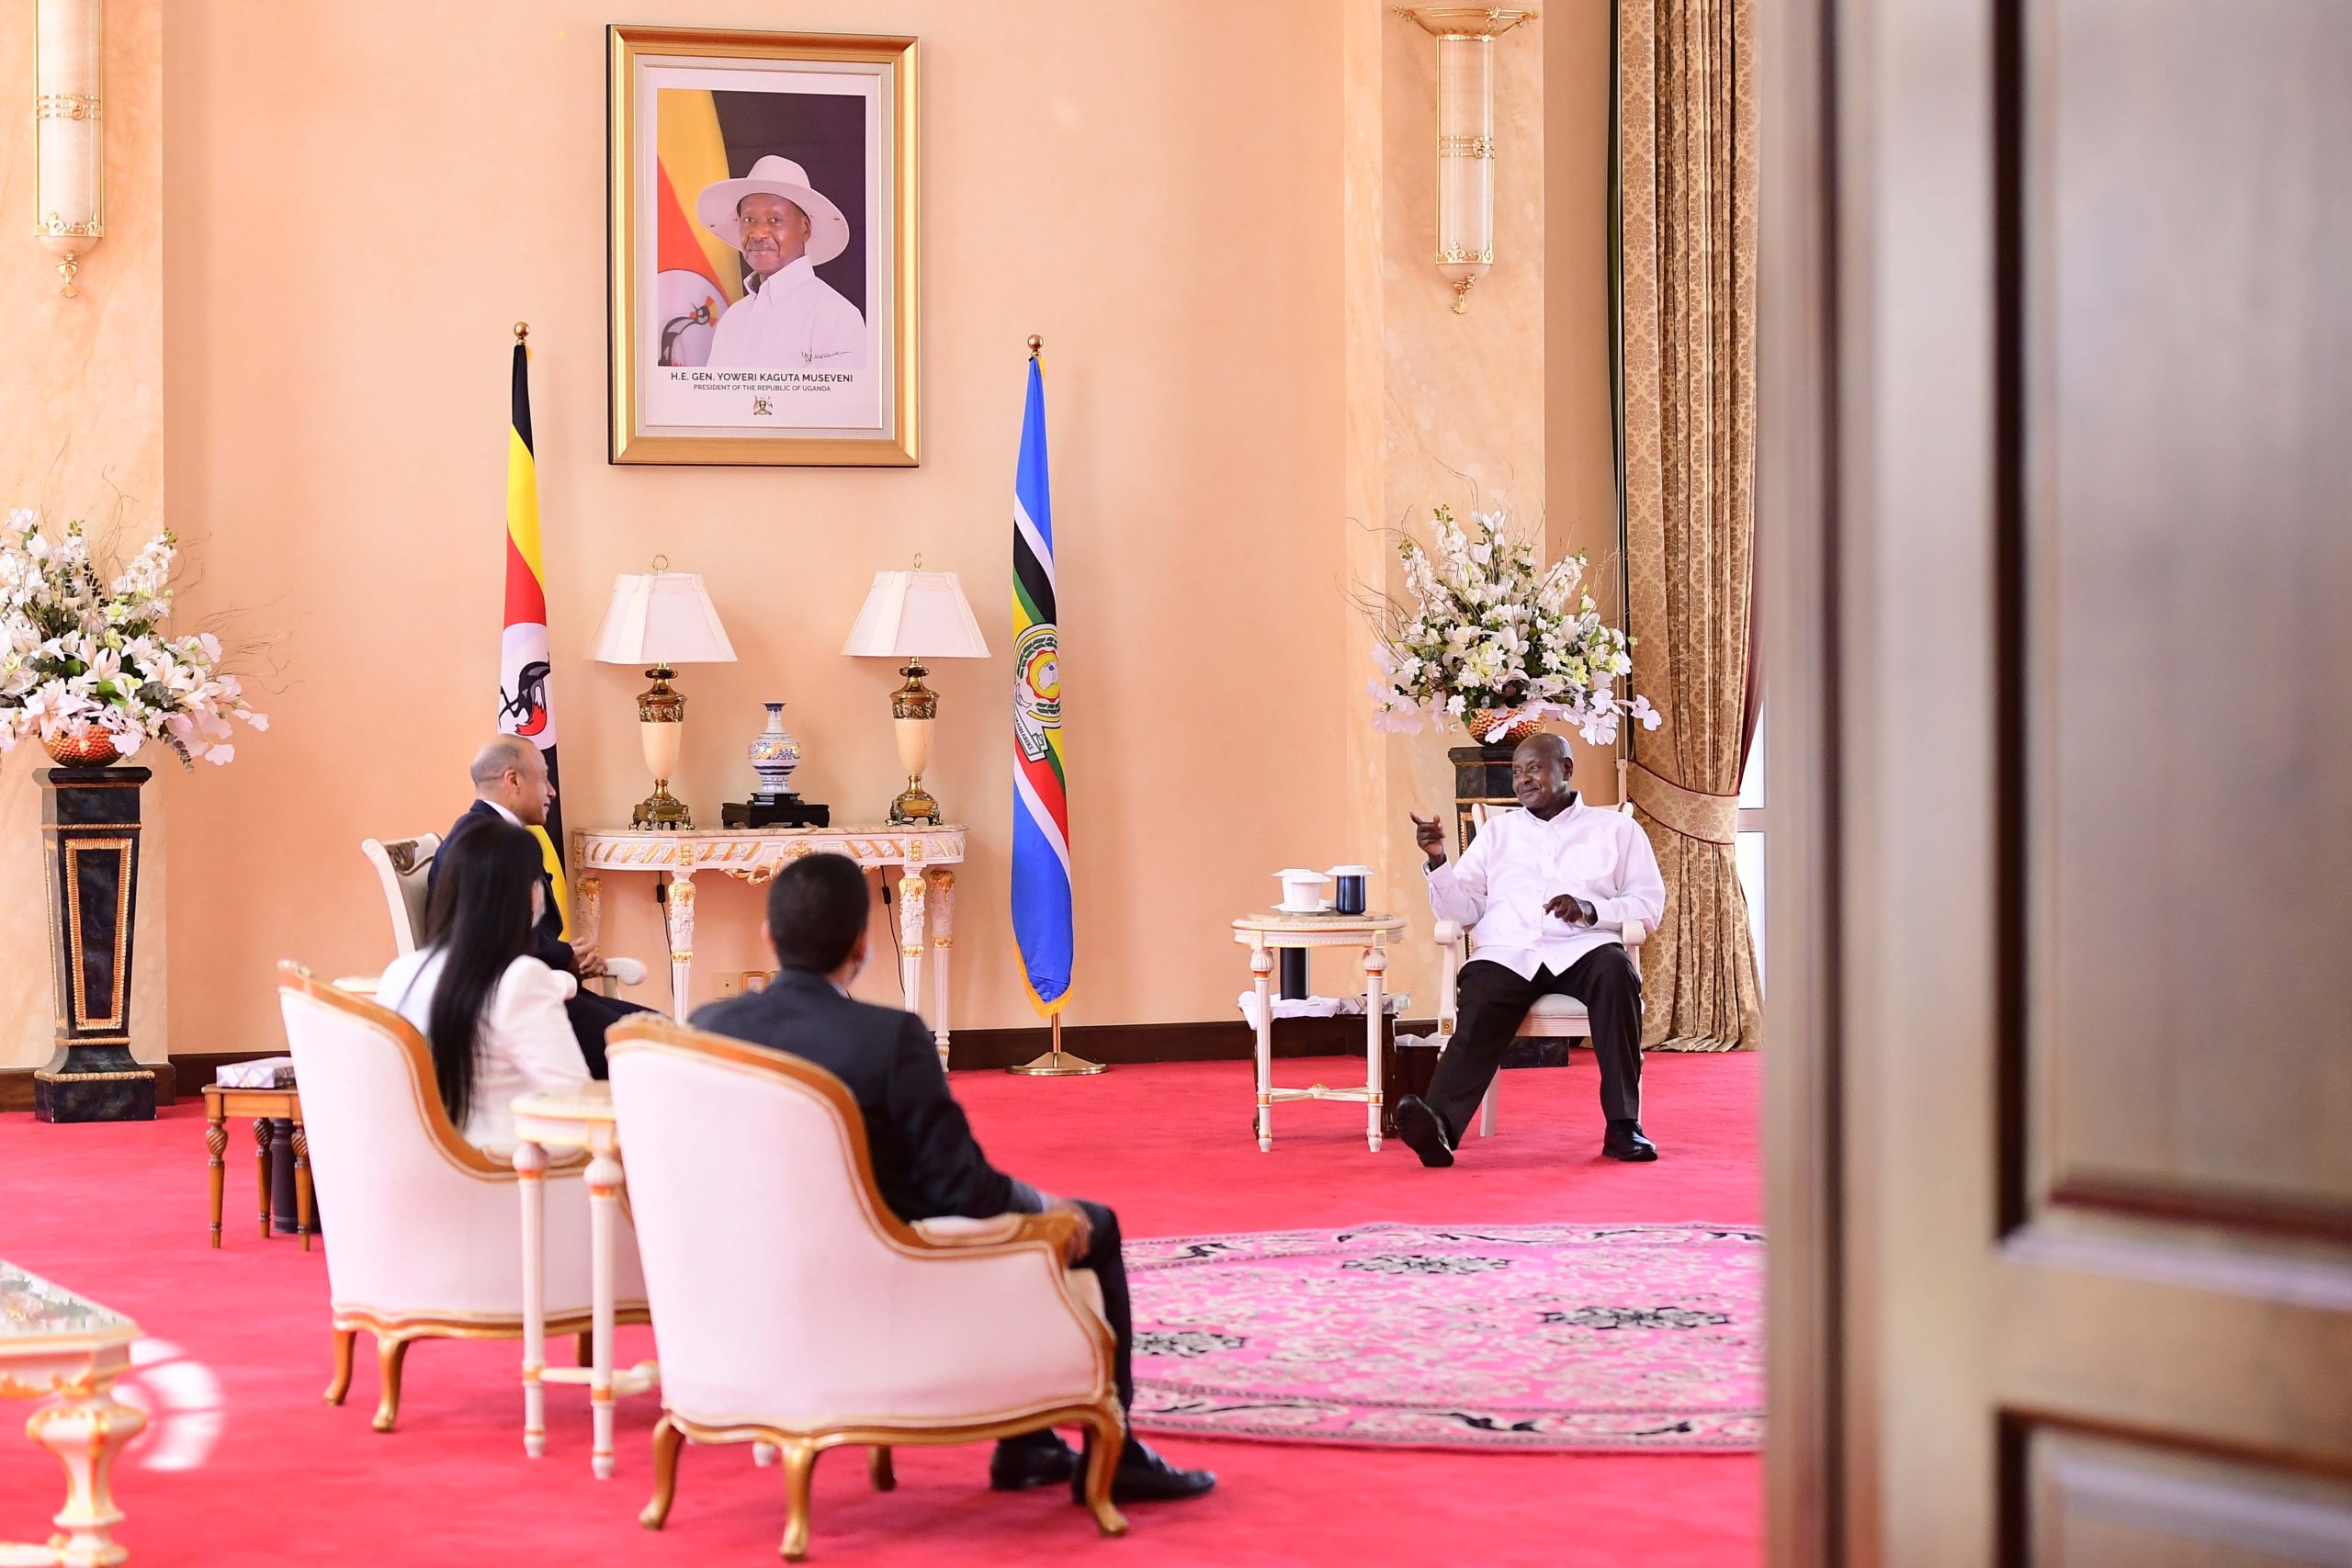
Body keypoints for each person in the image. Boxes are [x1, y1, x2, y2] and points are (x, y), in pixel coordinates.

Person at [691, 854, 1215, 1506]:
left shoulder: (708, 1029)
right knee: (1085, 1226)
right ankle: (1117, 1454)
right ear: (863, 941)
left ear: (769, 938)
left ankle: (1031, 1442)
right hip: (888, 1273)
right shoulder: (889, 1038)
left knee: (1013, 1232)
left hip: (754, 1278)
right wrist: (1047, 1207)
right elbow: (965, 1189)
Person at [1392, 731, 1669, 1167]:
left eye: (1533, 768)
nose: (1522, 780)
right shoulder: (1498, 833)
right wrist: (1438, 861)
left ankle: (1623, 1127)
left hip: (1584, 949)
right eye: (1517, 772)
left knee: (1617, 973)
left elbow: (1649, 903)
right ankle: (1441, 1127)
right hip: (1509, 951)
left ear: (1566, 768)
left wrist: (1590, 909)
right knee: (1480, 994)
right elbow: (1462, 911)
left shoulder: (1616, 829)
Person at [433, 737, 652, 1077]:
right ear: (514, 780)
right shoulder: (483, 848)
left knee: (661, 1030)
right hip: (517, 1005)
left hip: (542, 986)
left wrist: (565, 955)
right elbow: (484, 943)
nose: (552, 792)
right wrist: (564, 957)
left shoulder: (485, 833)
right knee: (659, 1046)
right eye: (544, 778)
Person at [381, 818, 591, 1157]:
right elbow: (576, 1104)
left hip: (429, 1166)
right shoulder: (520, 979)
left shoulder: (399, 974)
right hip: (513, 1174)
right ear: (526, 895)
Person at [695, 155, 867, 370]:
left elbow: (845, 403)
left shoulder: (835, 316)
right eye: (749, 220)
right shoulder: (733, 318)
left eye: (774, 220)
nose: (757, 234)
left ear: (805, 228)